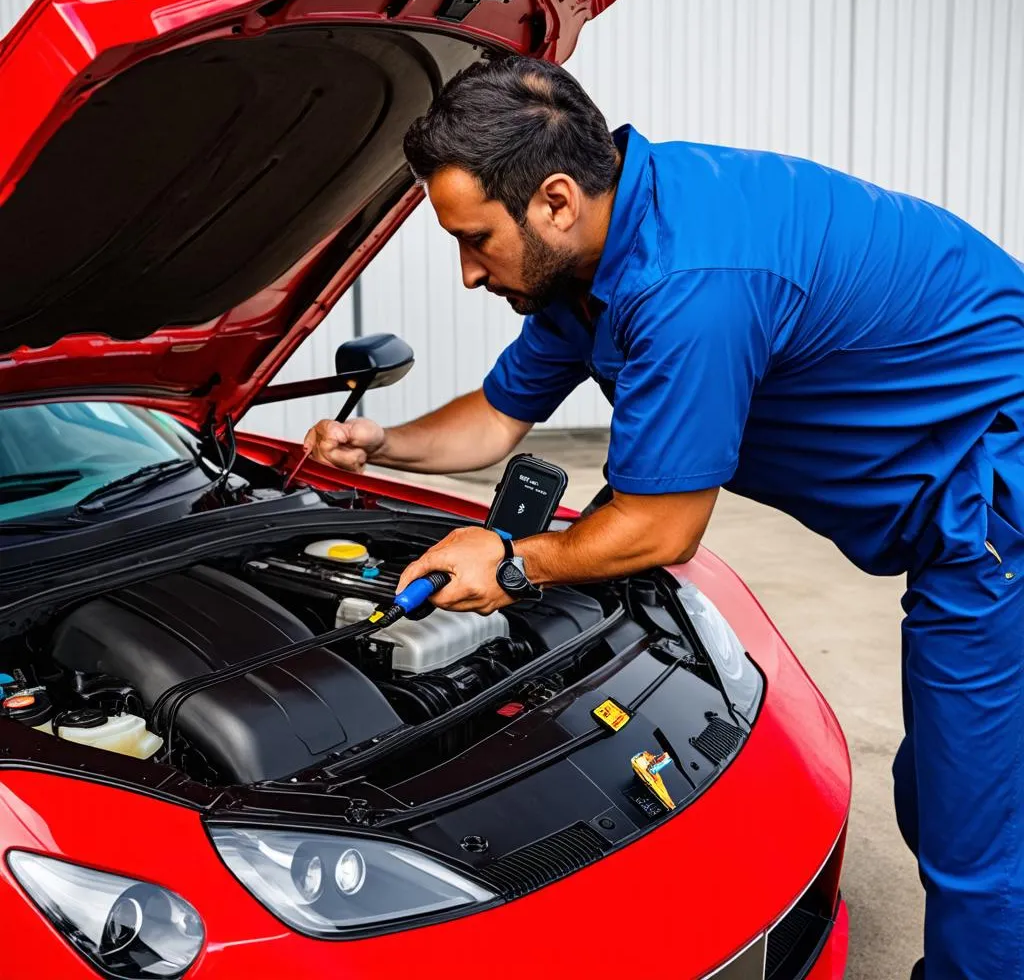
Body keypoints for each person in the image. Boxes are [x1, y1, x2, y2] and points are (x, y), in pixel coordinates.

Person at [304, 56, 1024, 979]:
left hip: (996, 505)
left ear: (555, 202)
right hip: (956, 504)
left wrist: (512, 564)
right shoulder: (592, 260)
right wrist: (382, 443)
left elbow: (660, 529)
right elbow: (495, 417)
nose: (469, 273)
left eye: (476, 238)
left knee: (976, 844)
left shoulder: (689, 281)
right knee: (939, 797)